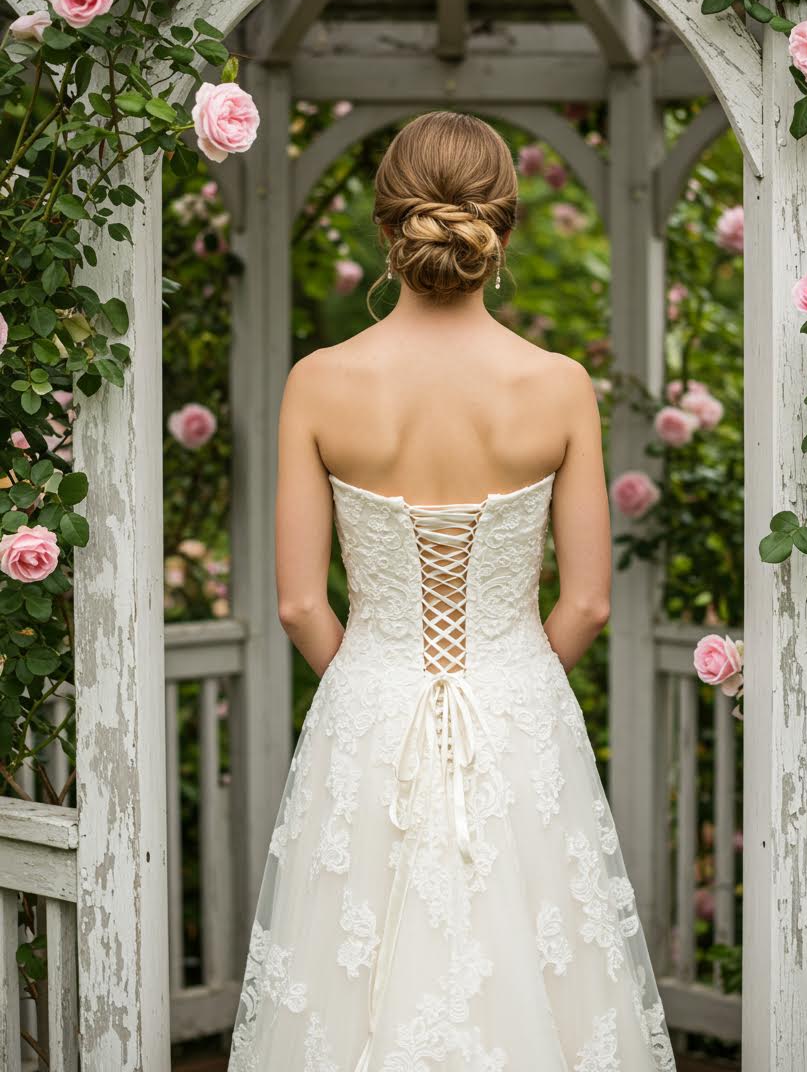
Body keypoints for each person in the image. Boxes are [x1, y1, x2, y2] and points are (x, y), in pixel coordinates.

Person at [228, 110, 674, 1071]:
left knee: (349, 972)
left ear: (385, 229)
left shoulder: (319, 381)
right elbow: (588, 601)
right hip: (519, 715)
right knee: (539, 969)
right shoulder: (557, 385)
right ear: (500, 229)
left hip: (368, 708)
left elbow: (302, 604)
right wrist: (508, 673)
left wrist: (378, 680)